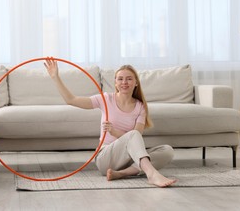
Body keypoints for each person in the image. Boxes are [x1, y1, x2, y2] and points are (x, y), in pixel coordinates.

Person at [44, 59, 176, 187]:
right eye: (120, 79)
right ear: (115, 83)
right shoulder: (106, 99)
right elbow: (71, 100)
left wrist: (114, 132)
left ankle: (121, 173)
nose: (124, 82)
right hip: (105, 158)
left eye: (129, 78)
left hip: (129, 159)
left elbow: (137, 137)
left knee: (167, 151)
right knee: (134, 135)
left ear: (136, 82)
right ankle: (151, 174)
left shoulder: (140, 107)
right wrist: (55, 77)